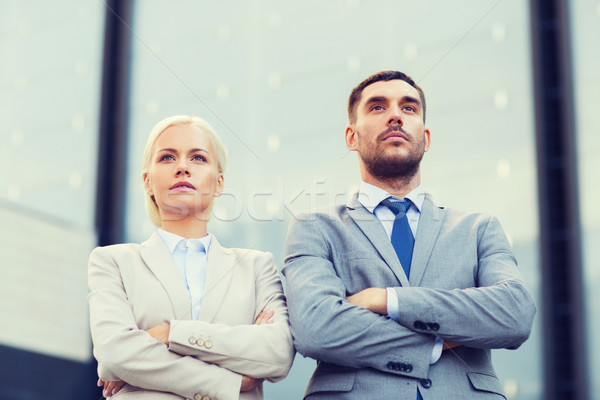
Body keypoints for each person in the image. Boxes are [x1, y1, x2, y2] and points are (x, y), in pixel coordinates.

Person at [283, 71, 536, 399]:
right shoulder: (314, 227)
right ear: (351, 137)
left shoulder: (479, 228)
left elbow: (514, 313)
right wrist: (438, 340)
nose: (394, 116)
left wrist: (388, 300)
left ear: (426, 138)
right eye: (377, 107)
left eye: (409, 108)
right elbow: (316, 328)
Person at [88, 115, 294, 400]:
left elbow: (277, 355)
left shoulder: (257, 266)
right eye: (167, 157)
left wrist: (170, 333)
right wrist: (230, 382)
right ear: (148, 182)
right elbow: (114, 355)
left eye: (197, 158)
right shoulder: (113, 262)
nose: (182, 167)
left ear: (219, 183)